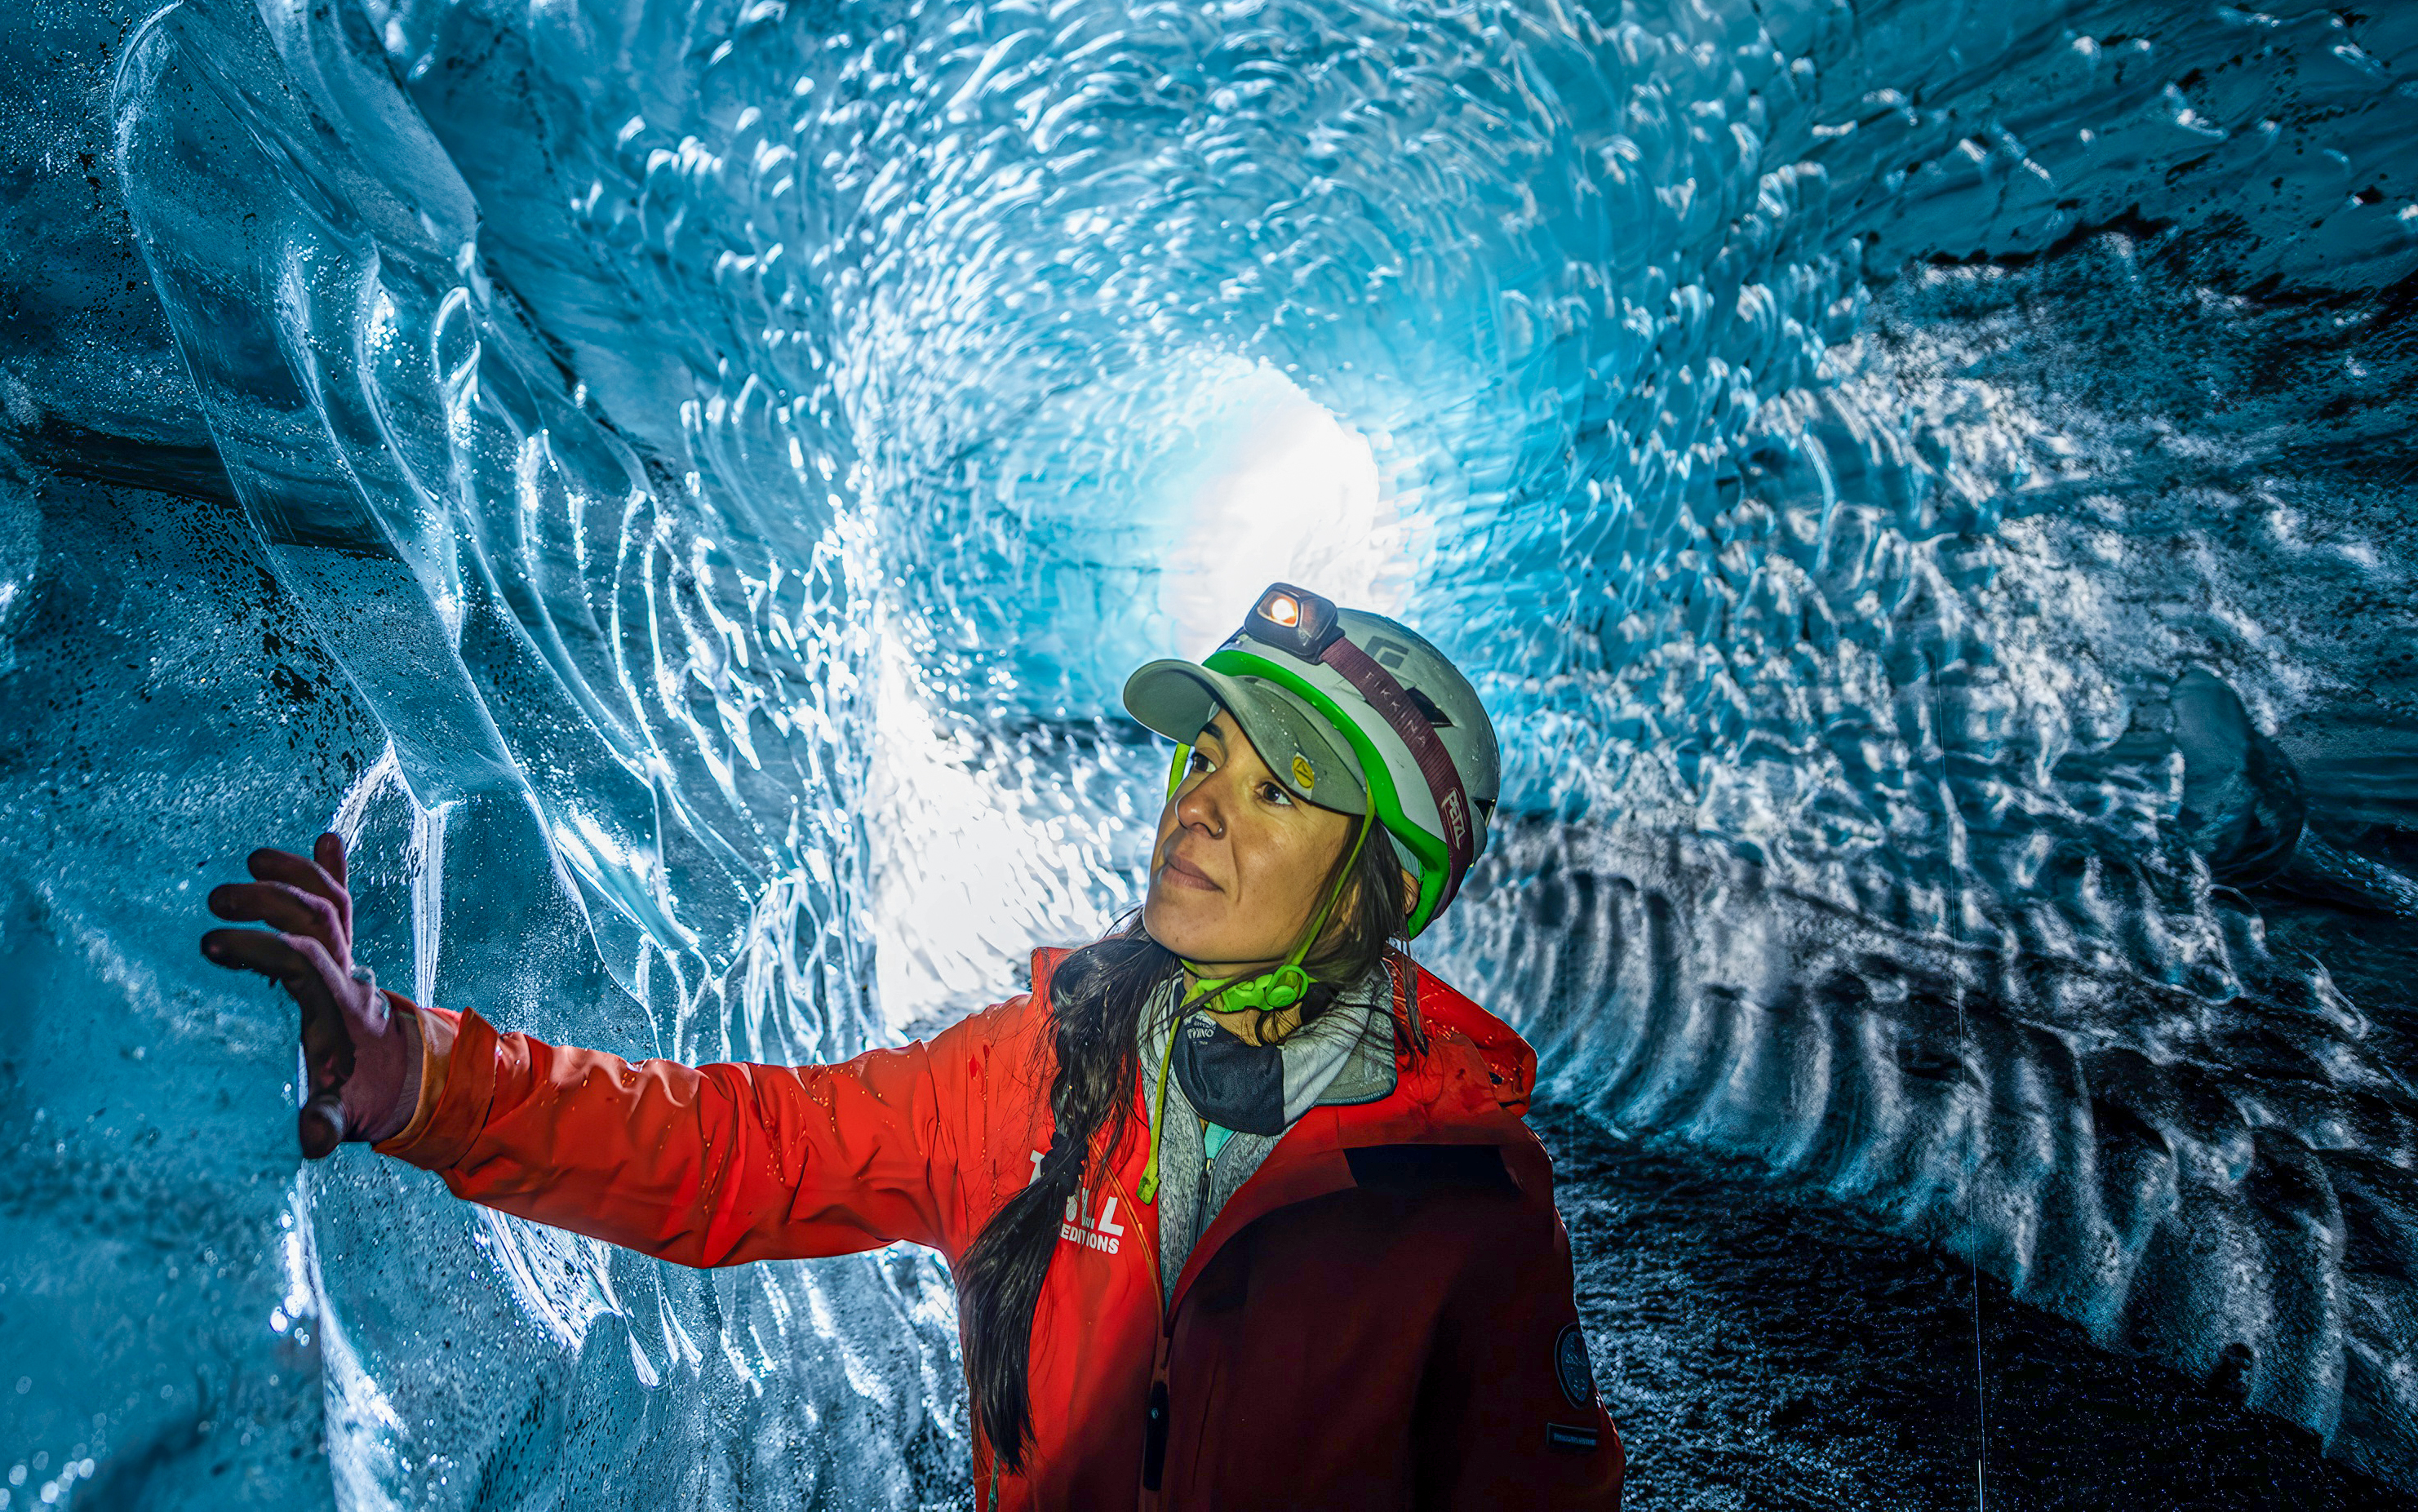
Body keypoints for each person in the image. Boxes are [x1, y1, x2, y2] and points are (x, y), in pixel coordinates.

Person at [202, 583, 1625, 1510]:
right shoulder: (1035, 1068)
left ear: (1383, 880)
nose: (1199, 804)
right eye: (1201, 758)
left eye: (1278, 789)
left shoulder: (1468, 1203)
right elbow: (742, 1152)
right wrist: (420, 1069)